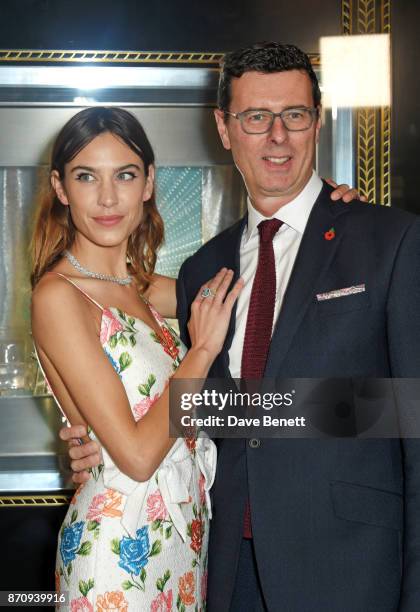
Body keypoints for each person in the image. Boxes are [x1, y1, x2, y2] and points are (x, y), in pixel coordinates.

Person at [59, 43, 402, 611]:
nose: (276, 136)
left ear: (316, 120)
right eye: (255, 117)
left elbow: (405, 406)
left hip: (345, 564)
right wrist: (94, 434)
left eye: (293, 115)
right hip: (218, 560)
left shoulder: (386, 240)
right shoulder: (204, 271)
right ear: (224, 127)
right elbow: (189, 400)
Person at [30, 106, 244, 610]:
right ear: (61, 188)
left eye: (125, 175)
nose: (108, 198)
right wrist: (203, 350)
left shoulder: (141, 288)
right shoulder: (58, 296)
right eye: (87, 177)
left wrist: (321, 204)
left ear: (148, 183)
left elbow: (252, 279)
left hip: (183, 539)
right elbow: (138, 455)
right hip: (113, 548)